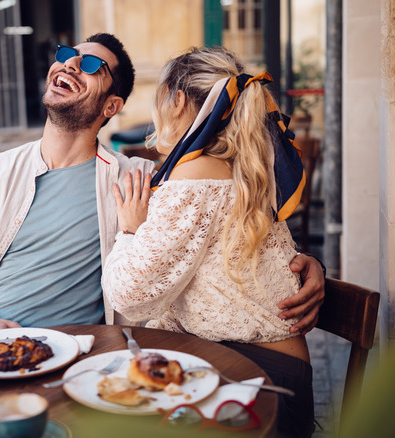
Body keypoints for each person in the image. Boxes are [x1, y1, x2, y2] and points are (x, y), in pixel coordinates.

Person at [0, 35, 325, 438]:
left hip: (75, 358)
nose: (67, 65)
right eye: (66, 56)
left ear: (111, 106)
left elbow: (221, 227)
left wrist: (305, 263)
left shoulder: (139, 179)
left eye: (89, 67)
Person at [101, 46, 317, 437]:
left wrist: (130, 229)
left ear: (177, 99)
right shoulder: (247, 164)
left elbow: (129, 297)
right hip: (281, 370)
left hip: (252, 376)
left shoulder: (194, 174)